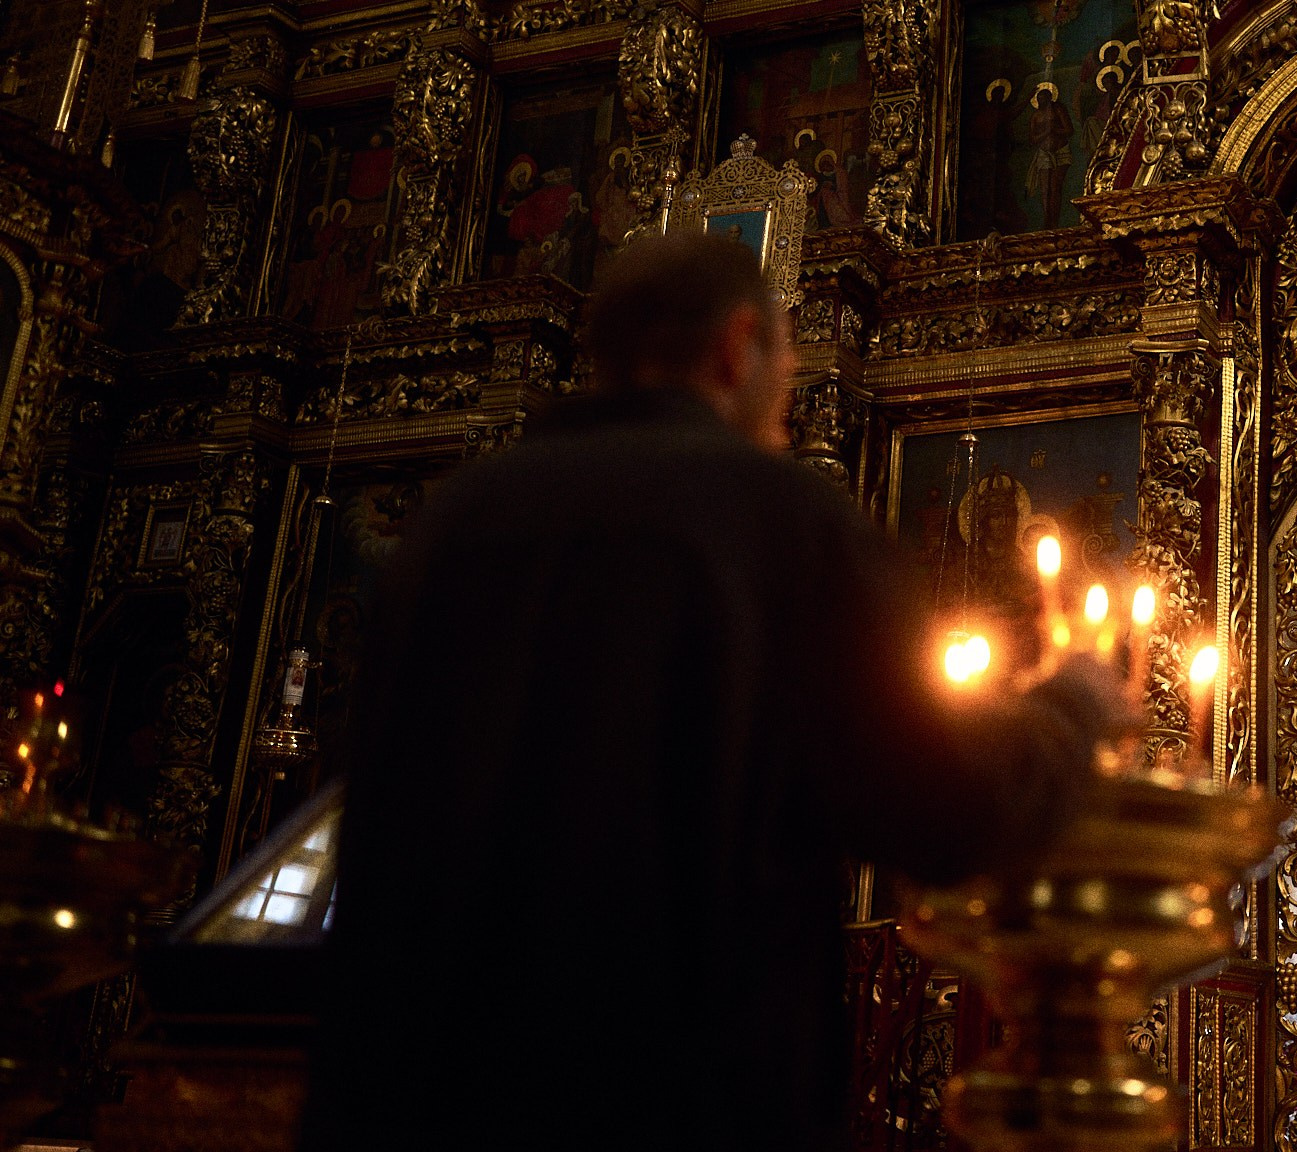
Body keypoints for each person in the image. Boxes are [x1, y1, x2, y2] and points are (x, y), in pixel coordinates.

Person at [303, 234, 1123, 1151]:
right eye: (788, 361)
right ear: (738, 347)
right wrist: (1073, 705)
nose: (788, 402)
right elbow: (942, 809)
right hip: (667, 1096)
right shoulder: (778, 522)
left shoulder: (451, 525)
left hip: (417, 1095)